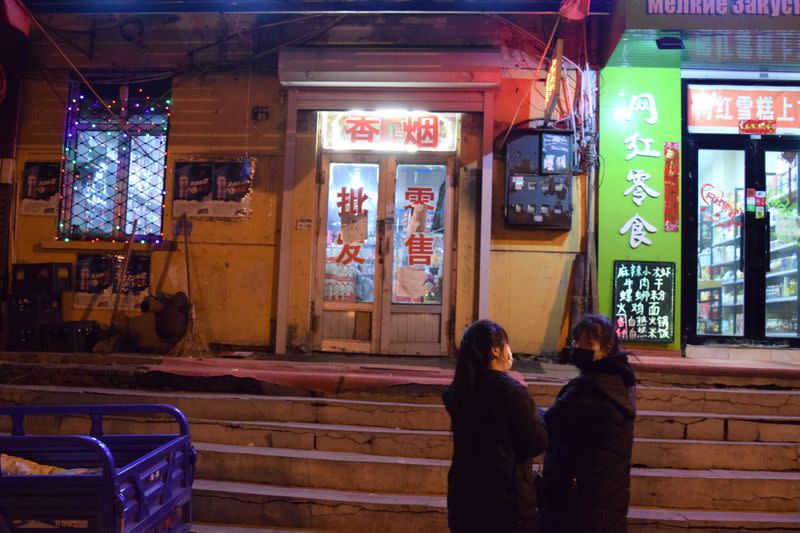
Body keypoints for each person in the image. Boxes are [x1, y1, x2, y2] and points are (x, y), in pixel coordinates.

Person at [443, 320, 548, 533]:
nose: (510, 352)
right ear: (496, 350)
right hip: (506, 503)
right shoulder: (513, 393)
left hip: (465, 500)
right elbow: (535, 442)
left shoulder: (460, 391)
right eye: (507, 345)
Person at [540, 314, 637, 533]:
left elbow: (549, 422)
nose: (578, 347)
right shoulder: (620, 382)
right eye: (576, 341)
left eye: (587, 344)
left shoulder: (588, 389)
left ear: (606, 348)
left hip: (577, 504)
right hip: (605, 502)